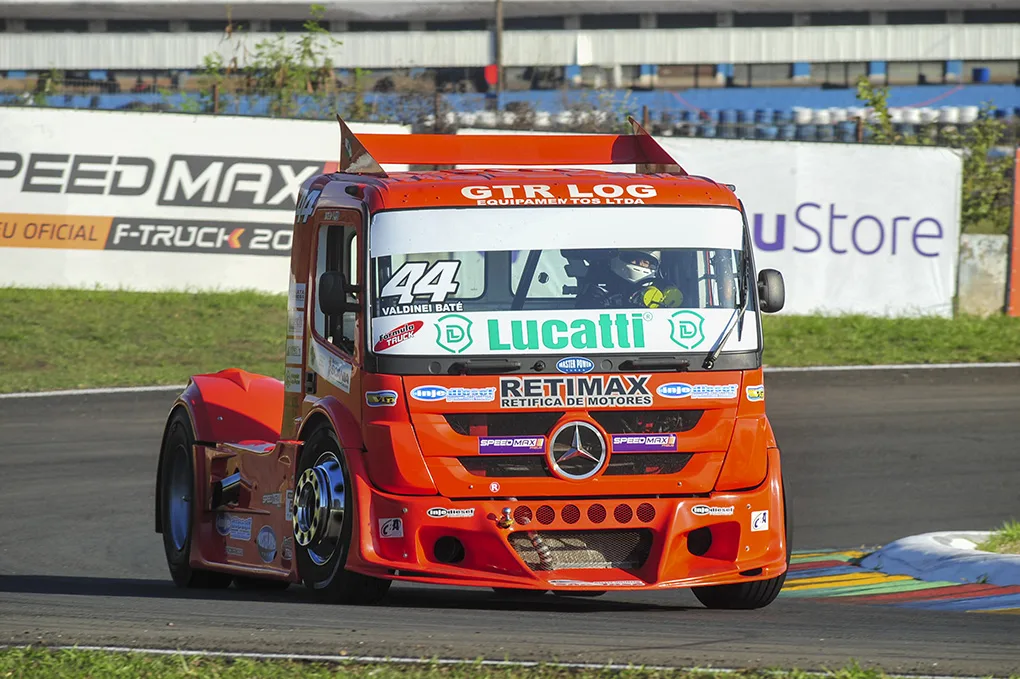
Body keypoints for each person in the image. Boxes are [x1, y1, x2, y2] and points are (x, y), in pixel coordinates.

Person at [575, 249, 684, 309]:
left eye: (646, 262)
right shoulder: (599, 291)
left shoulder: (660, 293)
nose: (641, 265)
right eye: (635, 260)